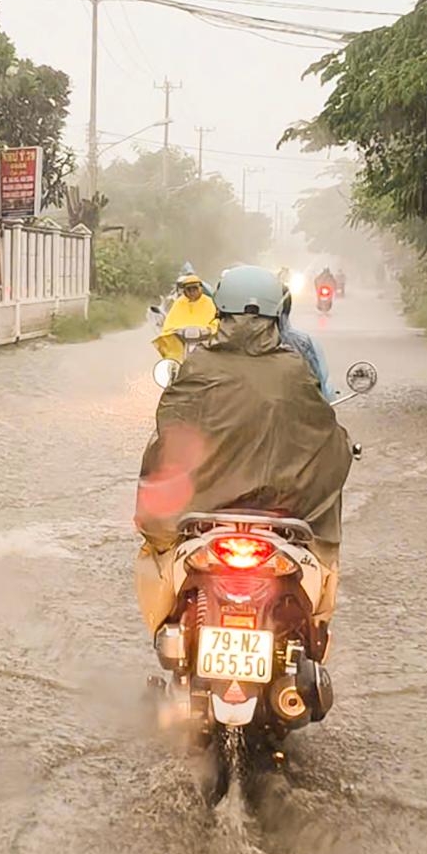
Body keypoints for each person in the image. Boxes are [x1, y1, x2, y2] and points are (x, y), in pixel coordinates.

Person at [132, 265, 354, 659]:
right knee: (323, 562)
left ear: (221, 312)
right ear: (276, 314)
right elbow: (325, 439)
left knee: (156, 552)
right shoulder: (292, 369)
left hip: (203, 518)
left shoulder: (200, 366)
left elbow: (168, 433)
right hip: (282, 519)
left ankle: (171, 635)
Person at [154, 271, 220, 362]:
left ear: (200, 288)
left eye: (195, 289)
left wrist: (210, 329)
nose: (192, 292)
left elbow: (215, 320)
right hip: (182, 342)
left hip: (205, 340)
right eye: (189, 289)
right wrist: (175, 330)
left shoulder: (209, 302)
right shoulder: (178, 303)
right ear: (184, 291)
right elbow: (169, 324)